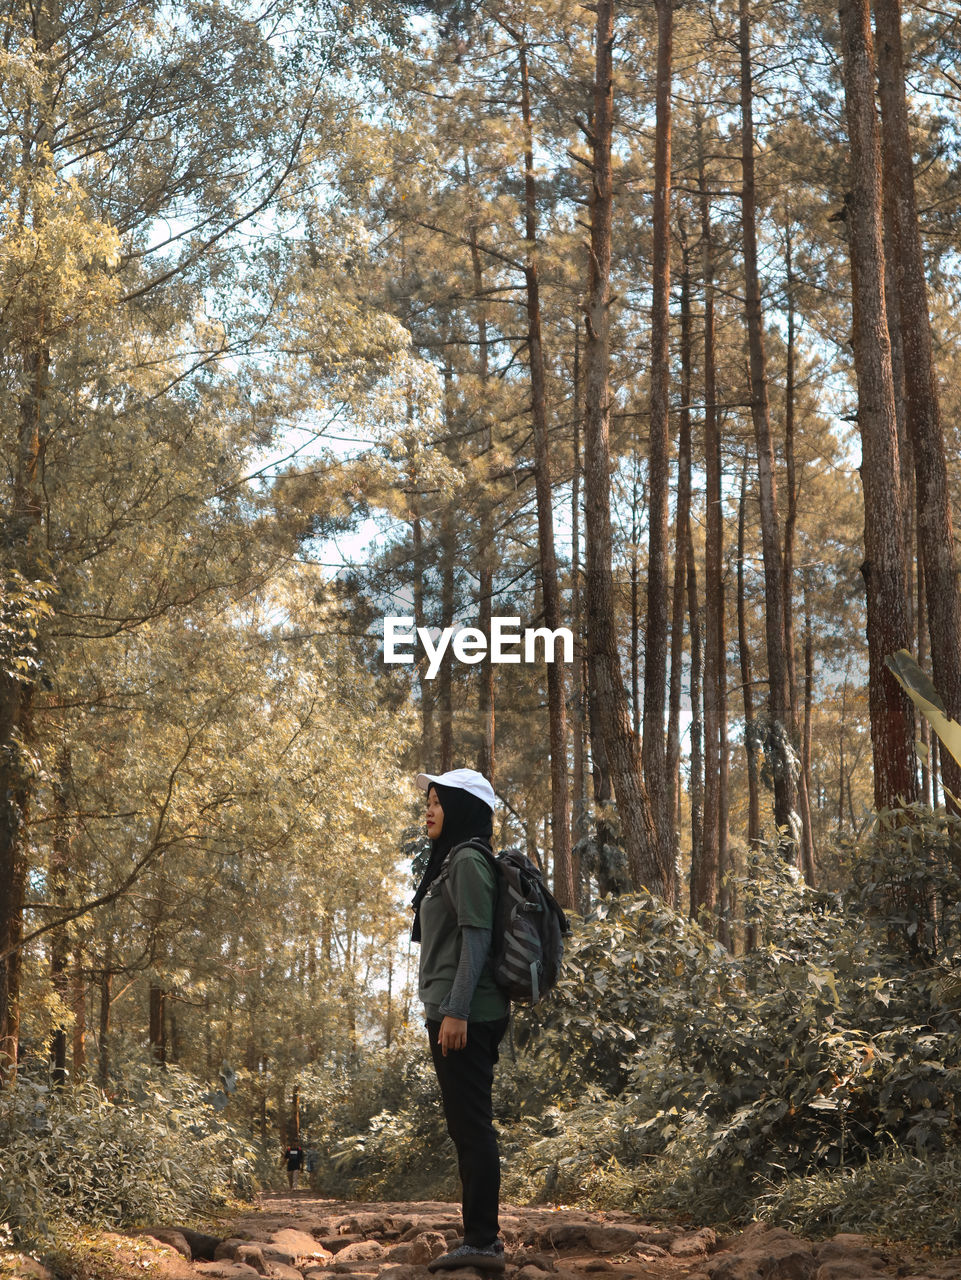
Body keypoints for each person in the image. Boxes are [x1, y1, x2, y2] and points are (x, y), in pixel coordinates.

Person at [411, 767, 510, 1274]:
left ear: (463, 808)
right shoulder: (453, 860)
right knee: (465, 1126)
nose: (428, 809)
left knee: (471, 1127)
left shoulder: (469, 860)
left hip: (467, 1015)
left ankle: (483, 1241)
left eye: (437, 801)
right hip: (457, 1011)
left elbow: (476, 937)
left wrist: (456, 1010)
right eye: (427, 800)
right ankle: (480, 1238)